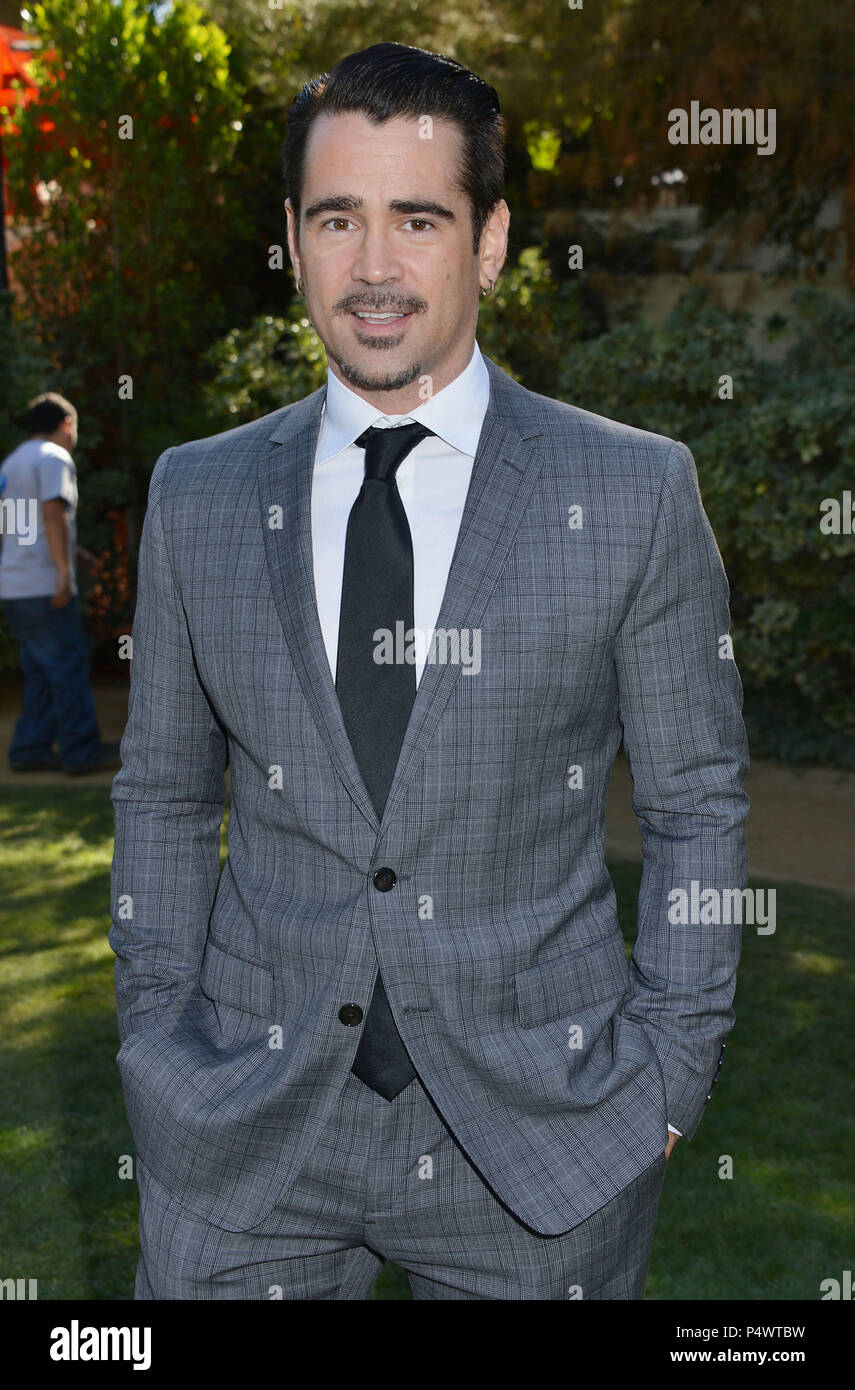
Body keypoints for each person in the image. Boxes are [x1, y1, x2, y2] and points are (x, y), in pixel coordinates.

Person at [110, 43, 749, 1300]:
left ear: (493, 239)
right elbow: (166, 799)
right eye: (338, 219)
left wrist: (670, 1072)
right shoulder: (200, 493)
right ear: (293, 239)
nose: (377, 268)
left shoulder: (632, 492)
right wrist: (157, 1034)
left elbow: (700, 806)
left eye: (419, 219)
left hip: (545, 1135)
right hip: (247, 1122)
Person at [0, 391, 120, 775]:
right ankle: (81, 752)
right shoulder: (54, 458)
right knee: (68, 665)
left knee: (39, 669)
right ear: (67, 424)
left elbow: (21, 529)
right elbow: (54, 514)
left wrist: (72, 551)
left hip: (16, 585)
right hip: (46, 586)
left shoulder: (14, 461)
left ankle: (29, 749)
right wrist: (63, 573)